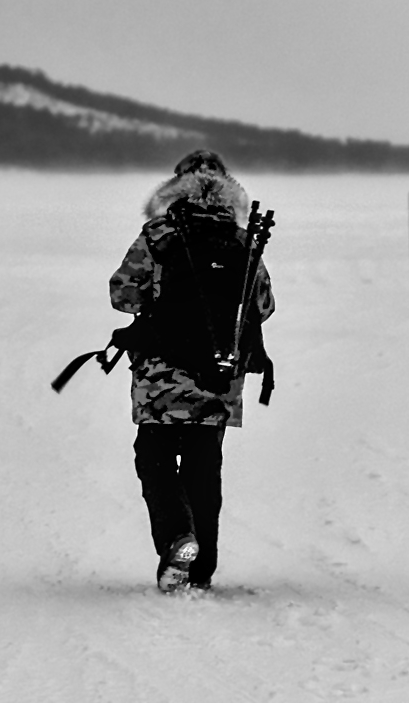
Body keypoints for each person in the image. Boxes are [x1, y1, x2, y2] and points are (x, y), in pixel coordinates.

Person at [108, 149, 275, 592]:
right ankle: (201, 571)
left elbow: (122, 294)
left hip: (161, 373)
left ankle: (177, 540)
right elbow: (263, 306)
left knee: (155, 457)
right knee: (204, 465)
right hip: (219, 376)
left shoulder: (160, 233)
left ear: (176, 185)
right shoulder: (243, 239)